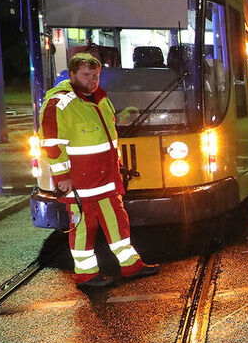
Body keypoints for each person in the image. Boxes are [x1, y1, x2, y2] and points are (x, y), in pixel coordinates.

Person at [38, 53, 159, 288]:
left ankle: (131, 265)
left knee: (118, 221)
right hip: (80, 183)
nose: (92, 80)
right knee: (84, 227)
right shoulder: (60, 104)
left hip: (106, 178)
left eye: (95, 75)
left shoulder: (101, 99)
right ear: (72, 74)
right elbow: (51, 144)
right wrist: (63, 178)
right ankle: (86, 275)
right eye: (86, 75)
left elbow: (104, 137)